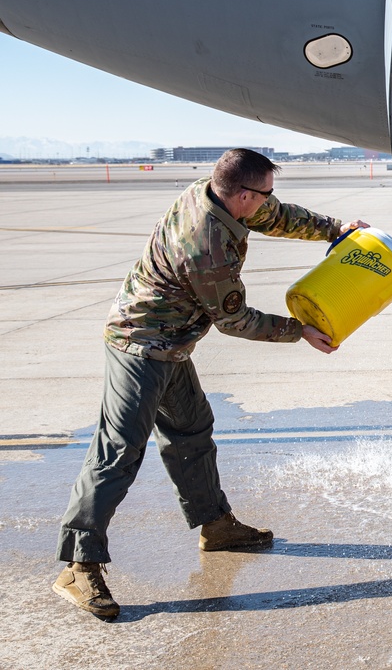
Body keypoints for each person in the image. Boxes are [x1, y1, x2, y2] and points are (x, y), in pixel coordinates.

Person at [52, 148, 368, 620]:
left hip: (172, 342)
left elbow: (275, 215)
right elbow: (234, 319)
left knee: (192, 432)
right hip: (140, 345)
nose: (269, 202)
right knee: (118, 453)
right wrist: (298, 330)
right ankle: (79, 563)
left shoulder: (217, 193)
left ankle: (215, 527)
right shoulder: (206, 243)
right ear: (243, 194)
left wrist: (334, 228)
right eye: (264, 195)